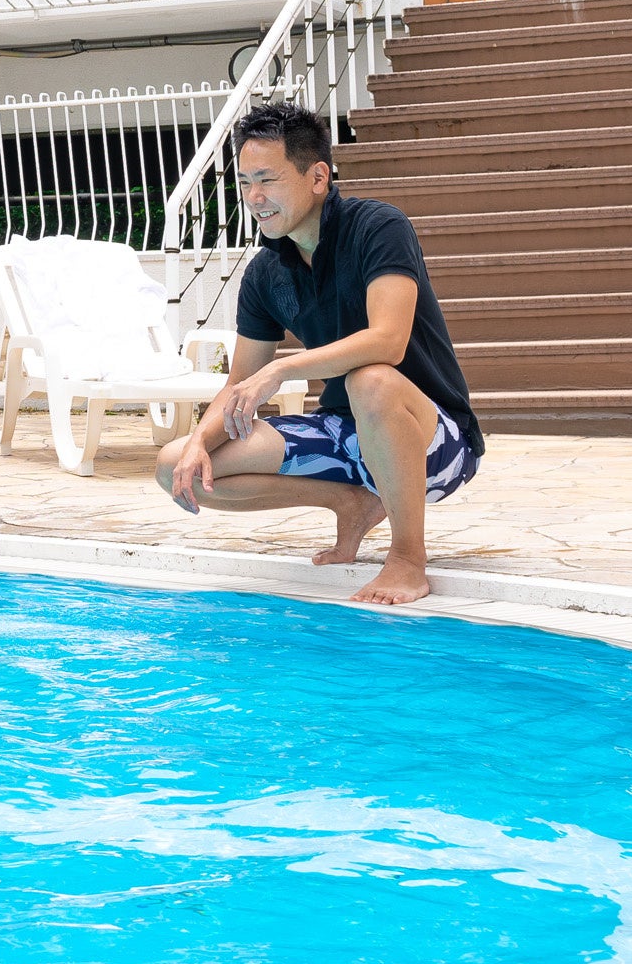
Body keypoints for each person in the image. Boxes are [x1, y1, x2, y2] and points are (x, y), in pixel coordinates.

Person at [157, 100, 484, 605]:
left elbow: (388, 340)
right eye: (245, 182)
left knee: (370, 379)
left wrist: (283, 369)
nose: (254, 197)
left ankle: (407, 558)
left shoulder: (378, 227)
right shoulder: (266, 273)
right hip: (345, 432)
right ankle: (350, 503)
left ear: (317, 177)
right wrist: (201, 437)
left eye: (268, 179)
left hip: (433, 441)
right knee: (177, 467)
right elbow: (238, 381)